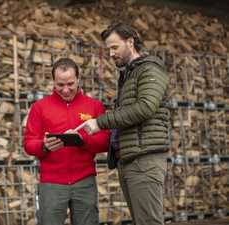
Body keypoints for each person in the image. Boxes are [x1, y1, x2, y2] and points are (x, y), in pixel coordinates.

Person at [83, 23, 170, 225]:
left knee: (149, 221)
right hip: (131, 158)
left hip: (145, 160)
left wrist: (100, 123)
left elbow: (145, 107)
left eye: (115, 47)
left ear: (130, 42)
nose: (111, 53)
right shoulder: (129, 74)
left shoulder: (150, 69)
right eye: (109, 49)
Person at [24, 58, 110, 225]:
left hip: (84, 180)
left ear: (78, 79)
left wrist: (82, 140)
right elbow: (28, 143)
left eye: (70, 84)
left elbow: (105, 141)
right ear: (53, 82)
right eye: (60, 85)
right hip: (52, 183)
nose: (65, 90)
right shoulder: (39, 107)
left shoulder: (95, 106)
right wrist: (44, 146)